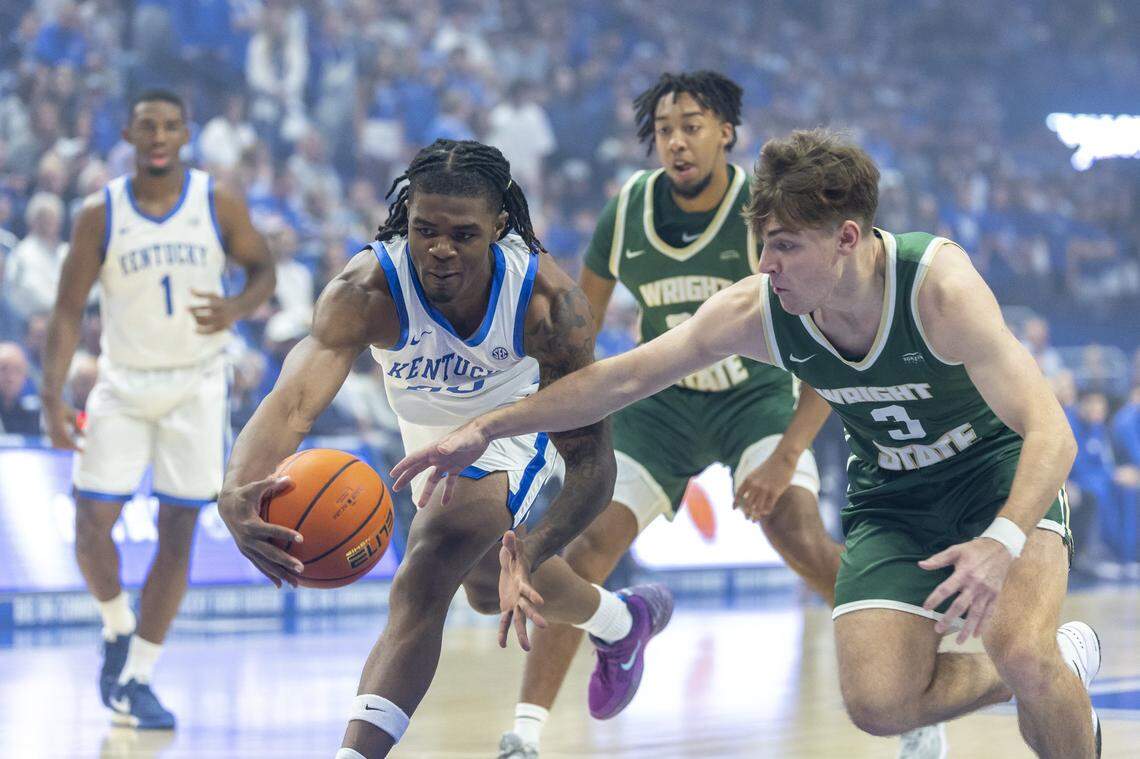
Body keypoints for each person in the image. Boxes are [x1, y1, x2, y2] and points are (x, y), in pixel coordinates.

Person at [394, 129, 1103, 758]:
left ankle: (1042, 663)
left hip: (996, 476)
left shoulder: (938, 289)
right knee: (880, 703)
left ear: (848, 238)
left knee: (1020, 651)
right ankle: (1057, 661)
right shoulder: (760, 310)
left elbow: (1053, 432)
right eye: (763, 242)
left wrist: (1001, 539)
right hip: (895, 495)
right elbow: (624, 377)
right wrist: (488, 425)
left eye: (786, 246)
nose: (766, 263)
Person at [216, 139, 672, 759]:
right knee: (486, 587)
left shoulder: (547, 305)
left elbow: (593, 460)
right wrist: (235, 486)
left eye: (463, 234)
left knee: (429, 564)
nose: (440, 249)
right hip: (424, 428)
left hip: (514, 418)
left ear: (499, 227)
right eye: (425, 229)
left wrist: (534, 546)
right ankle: (621, 622)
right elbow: (292, 401)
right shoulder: (365, 290)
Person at [497, 70, 844, 759]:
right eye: (664, 129)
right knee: (585, 545)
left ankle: (916, 690)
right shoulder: (627, 208)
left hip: (755, 397)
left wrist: (783, 456)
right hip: (663, 405)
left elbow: (834, 349)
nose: (677, 141)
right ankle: (526, 734)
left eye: (692, 125)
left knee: (798, 532)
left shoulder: (766, 209)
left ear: (726, 133)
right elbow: (580, 328)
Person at [40, 89, 276, 730]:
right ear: (128, 133)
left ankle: (139, 673)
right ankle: (117, 624)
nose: (159, 136)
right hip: (122, 382)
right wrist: (52, 395)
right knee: (93, 526)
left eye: (171, 125)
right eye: (147, 126)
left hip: (197, 385)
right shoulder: (100, 212)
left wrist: (234, 308)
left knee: (178, 532)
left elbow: (263, 271)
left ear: (186, 133)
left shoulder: (216, 200)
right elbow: (66, 312)